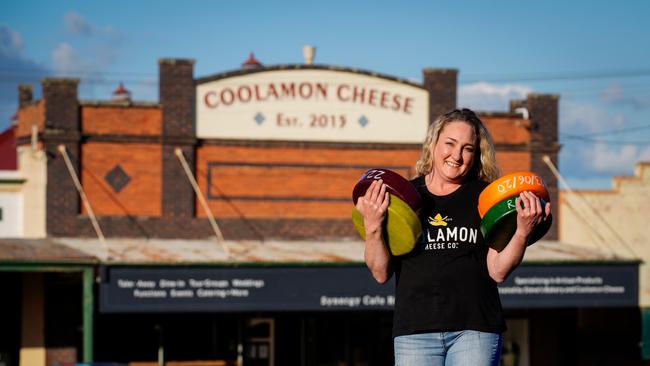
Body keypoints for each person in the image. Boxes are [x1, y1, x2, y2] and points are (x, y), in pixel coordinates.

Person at [355, 108, 551, 366]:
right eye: (450, 144)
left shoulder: (486, 199)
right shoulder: (405, 199)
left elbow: (498, 271)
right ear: (433, 143)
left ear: (476, 154)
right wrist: (373, 226)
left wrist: (522, 232)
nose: (457, 156)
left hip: (475, 331)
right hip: (415, 332)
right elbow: (380, 273)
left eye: (468, 148)